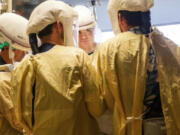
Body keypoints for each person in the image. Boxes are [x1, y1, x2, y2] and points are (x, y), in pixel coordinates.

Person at [10, 1, 105, 135]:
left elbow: (21, 118)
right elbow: (97, 108)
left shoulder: (24, 67)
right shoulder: (77, 57)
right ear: (59, 26)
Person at [92, 0, 180, 134]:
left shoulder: (109, 49)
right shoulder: (169, 47)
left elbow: (104, 100)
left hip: (130, 129)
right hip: (169, 127)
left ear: (120, 17)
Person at [0, 13, 31, 135]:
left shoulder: (9, 72)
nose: (24, 55)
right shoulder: (2, 81)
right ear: (8, 49)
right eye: (21, 50)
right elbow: (18, 122)